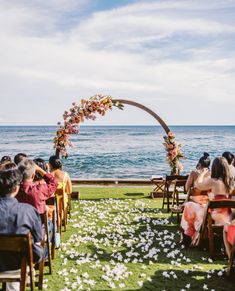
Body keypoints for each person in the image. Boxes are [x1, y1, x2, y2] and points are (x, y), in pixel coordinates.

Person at [0, 168, 43, 291]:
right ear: (16, 189)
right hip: (18, 264)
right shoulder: (28, 211)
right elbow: (38, 238)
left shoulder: (27, 210)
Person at [180, 153, 211, 246]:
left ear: (199, 164)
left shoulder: (194, 173)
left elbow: (186, 188)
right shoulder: (212, 174)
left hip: (194, 201)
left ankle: (188, 234)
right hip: (207, 202)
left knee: (189, 206)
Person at [48, 155, 72, 224]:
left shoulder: (48, 176)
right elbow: (69, 191)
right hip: (62, 204)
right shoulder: (65, 175)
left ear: (50, 165)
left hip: (50, 206)